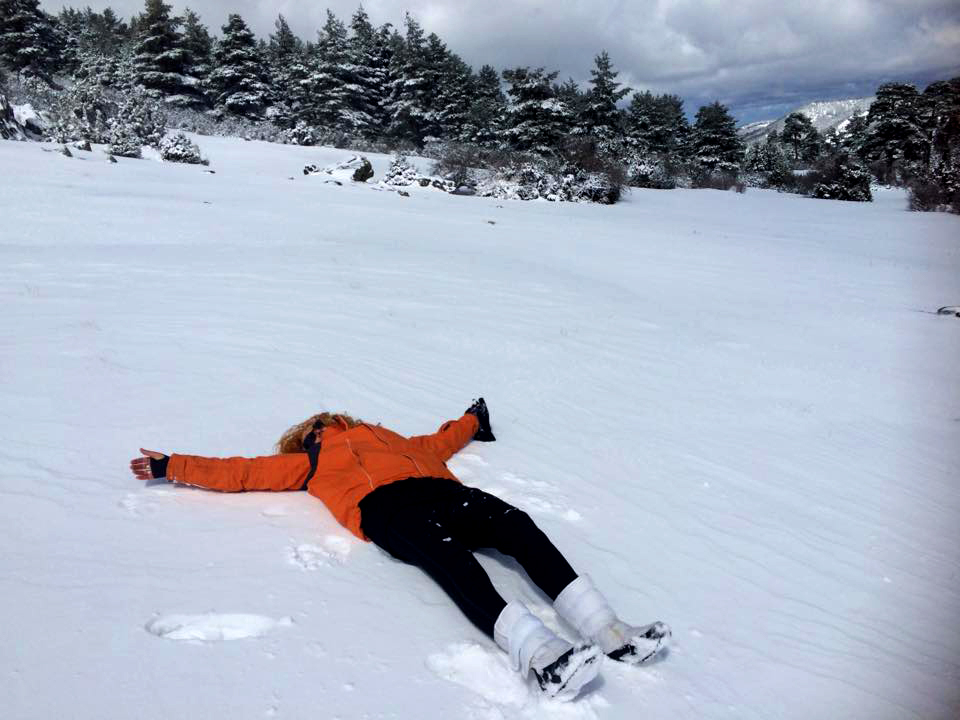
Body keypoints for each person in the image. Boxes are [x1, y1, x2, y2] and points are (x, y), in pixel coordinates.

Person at [129, 398, 669, 700]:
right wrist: (171, 465)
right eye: (318, 424)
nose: (329, 422)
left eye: (331, 417)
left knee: (519, 526)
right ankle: (544, 659)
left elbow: (444, 442)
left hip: (446, 492)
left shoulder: (399, 441)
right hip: (386, 509)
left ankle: (611, 632)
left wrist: (472, 422)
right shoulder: (311, 461)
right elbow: (242, 472)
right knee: (451, 562)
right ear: (308, 436)